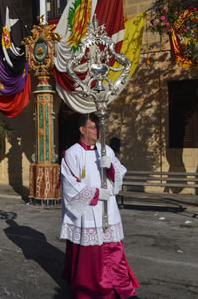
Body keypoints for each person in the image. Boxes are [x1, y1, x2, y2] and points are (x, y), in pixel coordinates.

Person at [60, 114, 138, 299]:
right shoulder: (72, 154)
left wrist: (110, 166)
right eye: (93, 127)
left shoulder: (106, 150)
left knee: (114, 252)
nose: (97, 131)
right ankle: (90, 290)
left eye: (98, 128)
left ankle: (122, 289)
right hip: (87, 212)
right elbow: (70, 185)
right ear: (82, 130)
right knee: (91, 257)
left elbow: (120, 172)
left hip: (107, 210)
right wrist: (95, 194)